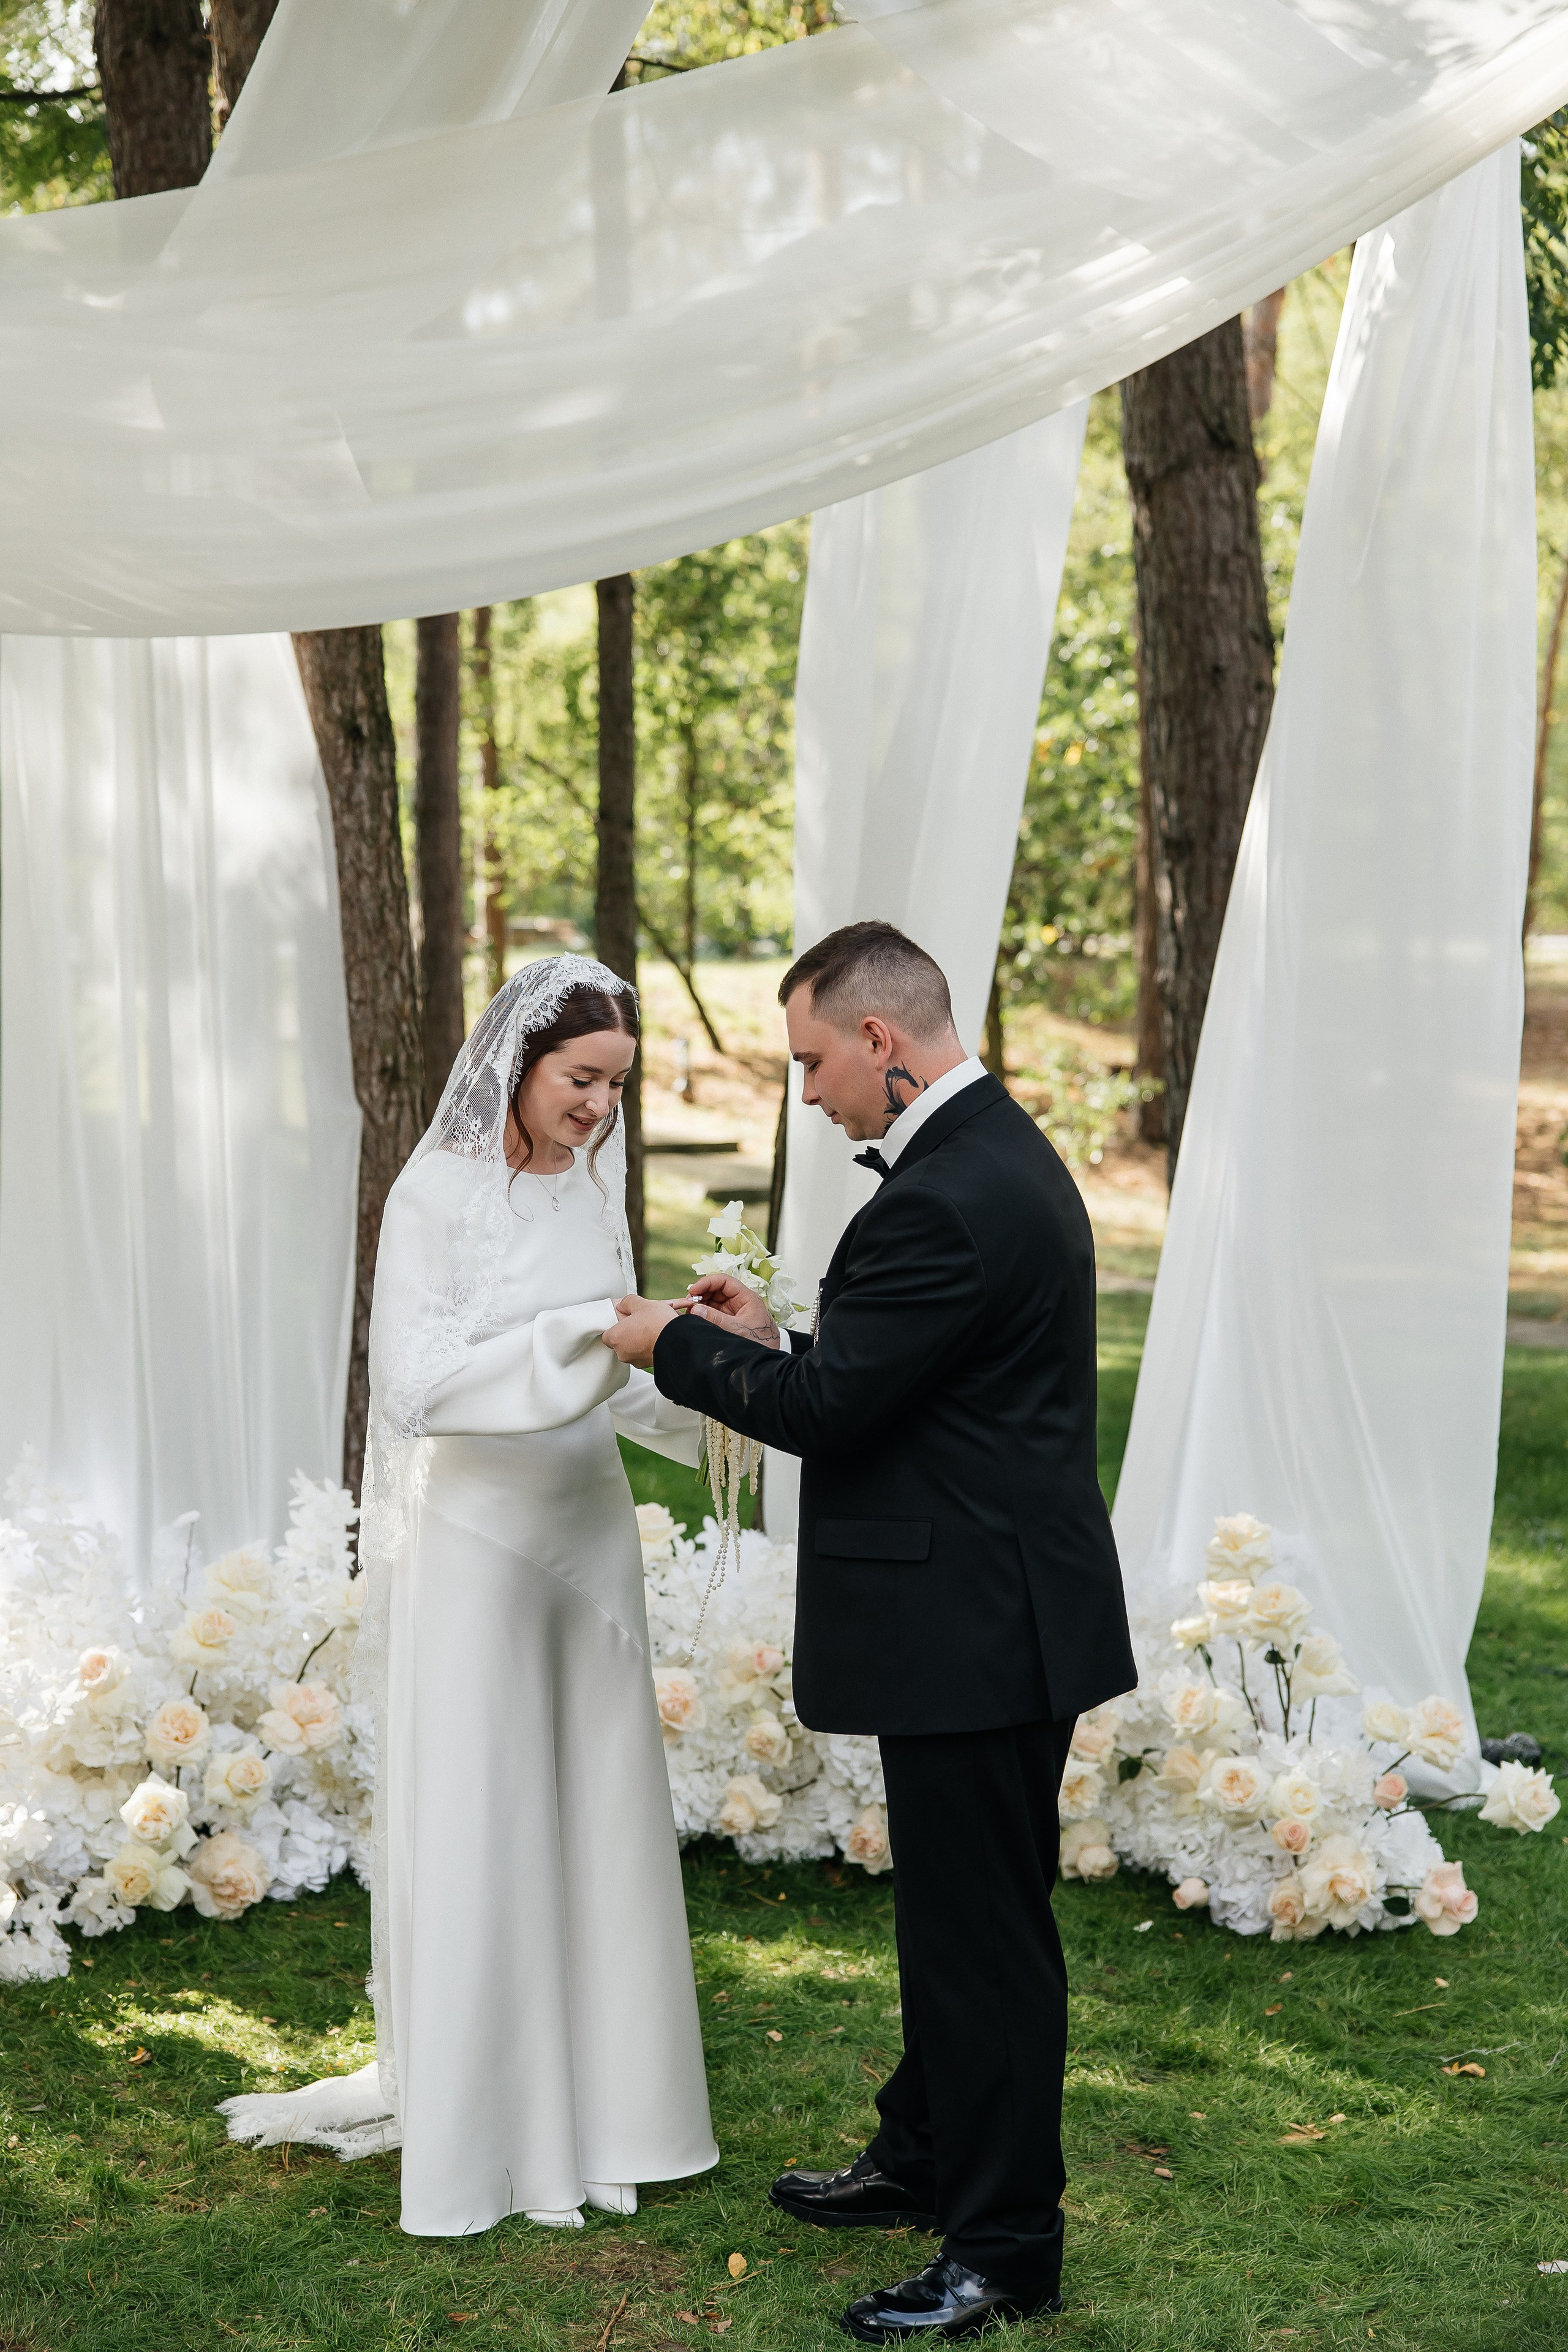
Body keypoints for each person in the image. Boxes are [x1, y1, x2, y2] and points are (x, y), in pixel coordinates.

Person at [603, 921, 1136, 2342]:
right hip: (997, 1607)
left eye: (810, 1059)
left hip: (977, 1624)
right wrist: (773, 1340)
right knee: (957, 1920)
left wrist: (674, 1348)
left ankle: (1003, 2249)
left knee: (981, 1943)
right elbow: (907, 1379)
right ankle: (921, 2155)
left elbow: (835, 1417)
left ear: (879, 1040)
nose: (807, 1090)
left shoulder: (945, 1196)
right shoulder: (982, 1159)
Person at [222, 956, 717, 2236]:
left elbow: (627, 1375)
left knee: (597, 1805)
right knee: (491, 1803)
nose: (597, 1107)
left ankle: (613, 2109)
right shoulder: (434, 1194)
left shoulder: (594, 1193)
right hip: (479, 1541)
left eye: (617, 1086)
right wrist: (578, 1337)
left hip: (586, 1533)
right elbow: (414, 1386)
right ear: (520, 1062)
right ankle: (494, 2119)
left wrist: (711, 1363)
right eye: (580, 1079)